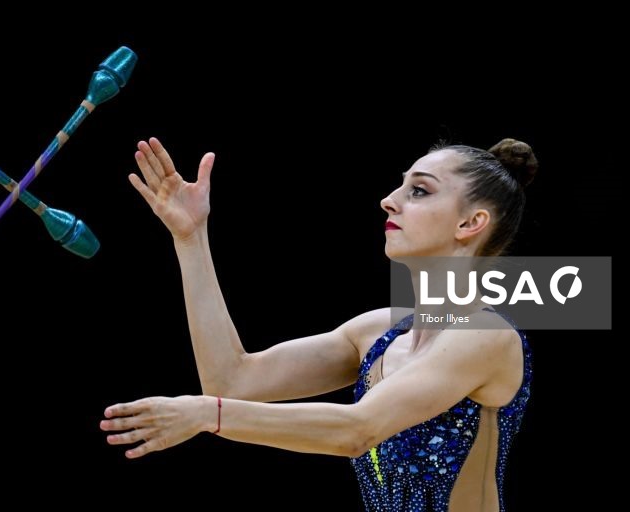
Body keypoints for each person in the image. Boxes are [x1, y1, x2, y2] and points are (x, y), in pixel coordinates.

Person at [100, 137, 535, 511]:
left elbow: (357, 430)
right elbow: (231, 382)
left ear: (470, 223)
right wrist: (191, 238)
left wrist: (205, 414)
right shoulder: (377, 333)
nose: (389, 200)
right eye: (401, 185)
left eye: (419, 191)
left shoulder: (486, 334)